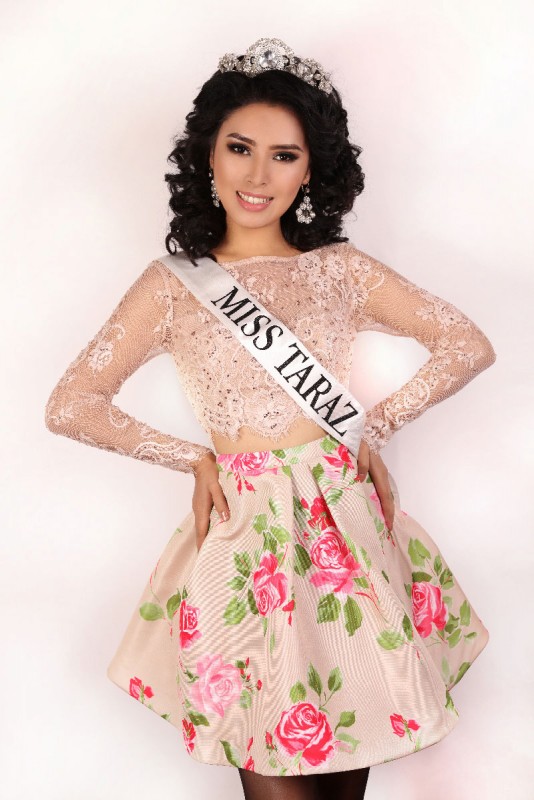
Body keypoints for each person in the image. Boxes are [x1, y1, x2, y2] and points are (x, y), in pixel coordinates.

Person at [44, 37, 496, 800]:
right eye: (240, 149)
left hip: (345, 533)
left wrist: (374, 429)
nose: (258, 177)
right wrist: (194, 459)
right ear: (208, 155)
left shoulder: (340, 270)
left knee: (345, 763)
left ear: (311, 169)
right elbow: (71, 403)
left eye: (284, 156)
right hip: (245, 537)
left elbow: (466, 343)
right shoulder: (171, 286)